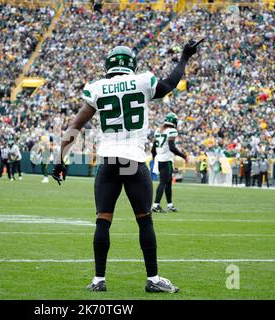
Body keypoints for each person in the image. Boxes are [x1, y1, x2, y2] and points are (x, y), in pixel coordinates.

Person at [51, 41, 202, 293]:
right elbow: (170, 83)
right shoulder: (143, 81)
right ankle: (153, 278)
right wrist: (184, 58)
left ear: (108, 65)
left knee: (103, 220)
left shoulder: (97, 87)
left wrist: (59, 160)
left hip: (108, 160)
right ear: (131, 64)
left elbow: (75, 126)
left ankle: (99, 280)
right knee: (144, 222)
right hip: (133, 159)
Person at [151, 113, 187, 213]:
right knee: (163, 182)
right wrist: (184, 156)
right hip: (166, 160)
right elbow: (171, 147)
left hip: (159, 159)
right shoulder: (172, 131)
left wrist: (155, 159)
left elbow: (153, 149)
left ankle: (170, 205)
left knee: (168, 182)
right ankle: (156, 205)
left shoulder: (158, 130)